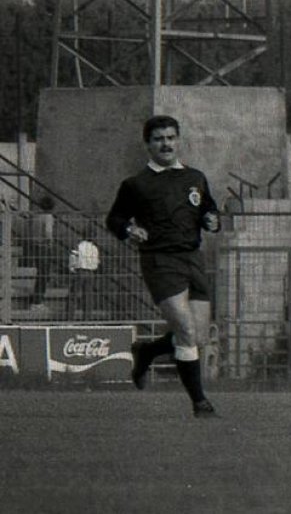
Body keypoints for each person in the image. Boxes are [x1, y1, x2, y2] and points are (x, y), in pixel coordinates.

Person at [105, 115, 222, 418]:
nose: (166, 144)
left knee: (198, 336)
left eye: (170, 137)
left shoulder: (195, 177)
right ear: (147, 145)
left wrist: (212, 219)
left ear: (179, 140)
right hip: (160, 260)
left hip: (193, 258)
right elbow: (114, 219)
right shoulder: (136, 184)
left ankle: (146, 351)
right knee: (184, 330)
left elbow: (208, 207)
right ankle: (200, 403)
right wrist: (130, 231)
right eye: (158, 139)